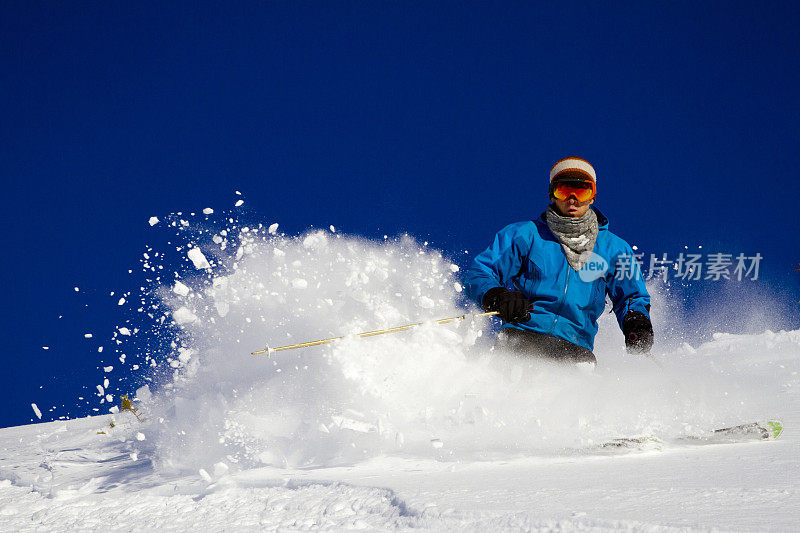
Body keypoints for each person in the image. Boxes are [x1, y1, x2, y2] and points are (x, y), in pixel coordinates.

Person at [463, 156, 653, 364]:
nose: (572, 199)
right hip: (523, 336)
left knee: (574, 395)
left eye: (582, 191)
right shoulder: (526, 235)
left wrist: (637, 320)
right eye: (563, 190)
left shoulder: (614, 249)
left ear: (593, 197)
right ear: (552, 195)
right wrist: (497, 295)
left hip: (575, 348)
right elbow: (480, 272)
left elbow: (632, 295)